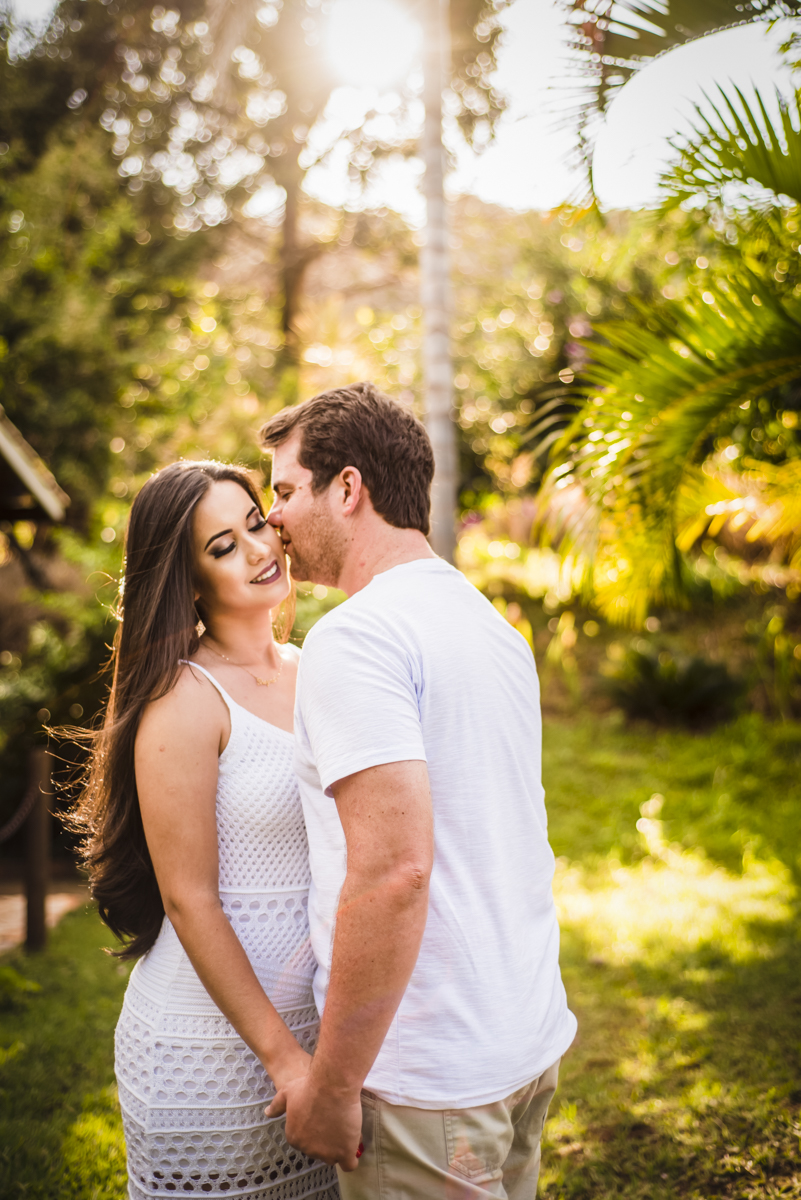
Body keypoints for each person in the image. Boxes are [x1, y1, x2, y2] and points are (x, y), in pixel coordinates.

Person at [260, 382, 577, 1199]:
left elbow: (393, 872)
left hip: (426, 1081)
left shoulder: (358, 637)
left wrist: (331, 1087)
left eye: (286, 491)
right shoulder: (492, 630)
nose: (275, 521)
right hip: (518, 1045)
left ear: (349, 488)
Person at [70, 460, 339, 1200]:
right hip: (211, 1054)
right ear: (185, 580)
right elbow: (191, 900)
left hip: (318, 1035)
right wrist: (285, 1061)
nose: (258, 550)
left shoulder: (317, 668)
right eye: (222, 547)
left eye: (255, 523)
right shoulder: (185, 701)